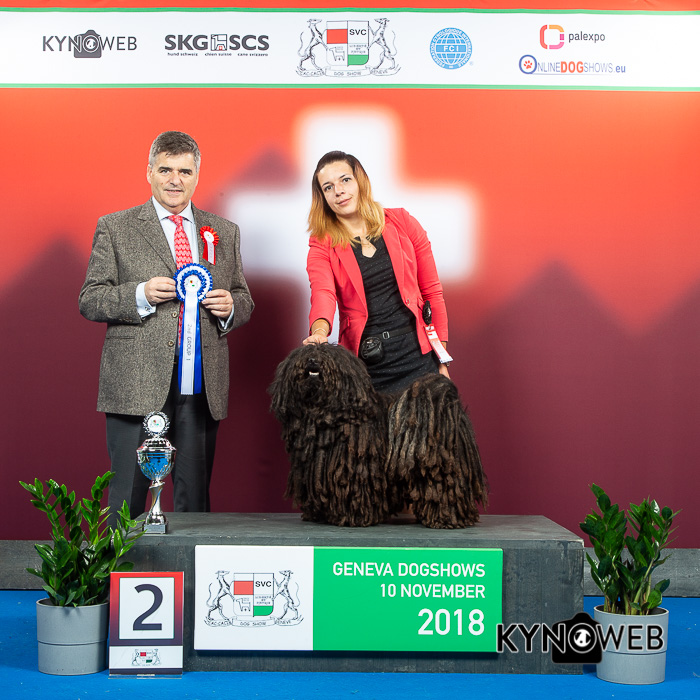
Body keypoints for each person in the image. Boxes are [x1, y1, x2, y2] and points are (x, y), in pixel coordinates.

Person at [79, 131, 254, 518]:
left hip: (201, 384)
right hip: (136, 382)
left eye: (185, 172)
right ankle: (121, 559)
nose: (175, 180)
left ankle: (190, 562)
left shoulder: (223, 231)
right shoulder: (116, 227)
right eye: (165, 170)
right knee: (126, 499)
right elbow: (90, 299)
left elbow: (243, 297)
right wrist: (139, 293)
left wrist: (231, 306)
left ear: (197, 176)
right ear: (149, 172)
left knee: (195, 503)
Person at [303, 150, 449, 393]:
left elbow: (432, 292)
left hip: (419, 358)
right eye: (328, 187)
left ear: (360, 181)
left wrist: (442, 359)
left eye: (345, 180)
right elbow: (322, 293)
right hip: (366, 367)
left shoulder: (403, 222)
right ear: (323, 197)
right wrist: (319, 332)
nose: (338, 191)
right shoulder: (321, 244)